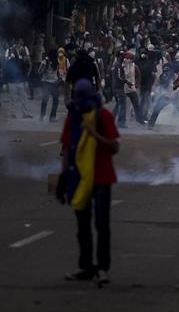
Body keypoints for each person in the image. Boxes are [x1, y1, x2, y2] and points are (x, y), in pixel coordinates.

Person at [59, 79, 119, 283]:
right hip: (78, 178)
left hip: (102, 177)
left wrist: (94, 134)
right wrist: (62, 179)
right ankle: (85, 267)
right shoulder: (73, 117)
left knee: (102, 225)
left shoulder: (103, 116)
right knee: (82, 226)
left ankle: (103, 269)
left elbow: (114, 147)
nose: (79, 99)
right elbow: (66, 149)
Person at [4, 47, 31, 119]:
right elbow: (5, 73)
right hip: (14, 83)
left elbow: (25, 71)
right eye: (11, 52)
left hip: (19, 82)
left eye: (13, 52)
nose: (12, 53)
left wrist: (26, 81)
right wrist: (5, 83)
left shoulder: (19, 61)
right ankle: (15, 114)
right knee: (15, 99)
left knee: (22, 99)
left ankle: (24, 114)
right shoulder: (10, 62)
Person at [38, 50, 61, 122]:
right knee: (55, 101)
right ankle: (52, 117)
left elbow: (40, 71)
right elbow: (59, 72)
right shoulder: (57, 61)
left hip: (46, 83)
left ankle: (41, 116)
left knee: (45, 100)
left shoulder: (45, 61)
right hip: (55, 83)